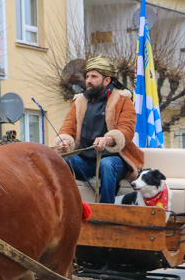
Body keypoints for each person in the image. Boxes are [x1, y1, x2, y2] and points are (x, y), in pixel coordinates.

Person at [53, 55, 144, 204]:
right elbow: (67, 128)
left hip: (115, 159)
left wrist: (108, 139)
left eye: (94, 76)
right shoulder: (79, 101)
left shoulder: (123, 100)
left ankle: (106, 210)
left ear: (107, 80)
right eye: (87, 76)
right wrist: (64, 141)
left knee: (106, 165)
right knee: (60, 161)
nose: (88, 80)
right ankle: (65, 207)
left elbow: (127, 130)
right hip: (85, 161)